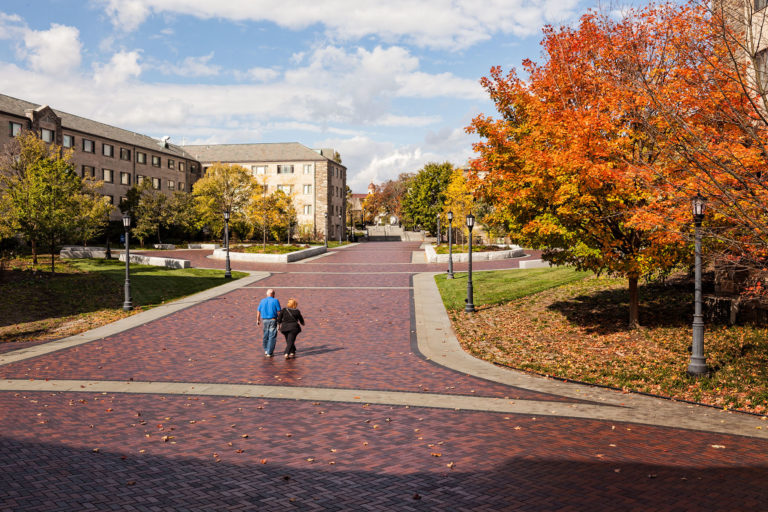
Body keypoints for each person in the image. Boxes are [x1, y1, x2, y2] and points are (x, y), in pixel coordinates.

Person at [256, 289, 281, 357]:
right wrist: (280, 322)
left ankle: (266, 349)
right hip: (273, 320)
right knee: (272, 336)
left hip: (264, 320)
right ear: (273, 294)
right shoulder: (275, 300)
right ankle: (270, 352)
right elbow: (279, 312)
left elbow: (258, 310)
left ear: (267, 294)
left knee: (265, 335)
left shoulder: (262, 300)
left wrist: (258, 320)